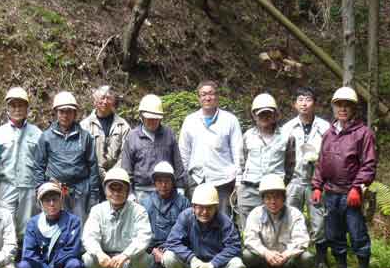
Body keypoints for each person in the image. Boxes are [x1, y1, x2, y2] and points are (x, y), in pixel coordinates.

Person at [312, 86, 377, 268]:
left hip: (351, 194)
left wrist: (357, 187)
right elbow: (321, 161)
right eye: (339, 105)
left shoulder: (363, 133)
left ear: (354, 108)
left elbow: (369, 164)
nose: (342, 109)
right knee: (334, 233)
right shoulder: (328, 134)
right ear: (333, 107)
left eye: (347, 105)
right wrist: (317, 186)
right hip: (331, 192)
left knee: (357, 233)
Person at [163, 183, 245, 268]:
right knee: (168, 256)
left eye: (209, 208)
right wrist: (192, 259)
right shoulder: (185, 217)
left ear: (216, 207)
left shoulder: (224, 221)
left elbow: (234, 247)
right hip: (192, 266)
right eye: (200, 207)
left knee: (237, 264)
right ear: (193, 206)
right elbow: (172, 241)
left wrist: (213, 264)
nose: (204, 212)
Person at [82, 168, 154, 268]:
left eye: (120, 189)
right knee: (88, 258)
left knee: (143, 258)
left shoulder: (139, 211)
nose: (116, 193)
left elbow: (144, 237)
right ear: (105, 190)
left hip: (127, 262)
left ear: (127, 191)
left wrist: (125, 255)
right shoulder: (97, 210)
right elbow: (89, 237)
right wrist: (99, 254)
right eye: (112, 189)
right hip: (105, 262)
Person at [33, 91, 100, 224]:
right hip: (54, 190)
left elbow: (93, 166)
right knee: (55, 227)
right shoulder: (46, 137)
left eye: (69, 111)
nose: (65, 115)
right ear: (56, 112)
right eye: (61, 111)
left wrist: (94, 195)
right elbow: (39, 166)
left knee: (79, 227)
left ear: (75, 114)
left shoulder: (85, 137)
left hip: (80, 192)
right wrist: (40, 190)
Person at [283, 87, 330, 268]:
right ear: (295, 104)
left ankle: (321, 258)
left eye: (308, 99)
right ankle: (292, 256)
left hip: (317, 181)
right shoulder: (287, 128)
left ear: (315, 103)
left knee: (319, 219)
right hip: (294, 180)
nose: (304, 103)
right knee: (290, 217)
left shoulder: (326, 127)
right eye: (300, 99)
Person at [179, 80, 243, 215]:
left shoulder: (230, 120)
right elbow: (184, 152)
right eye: (203, 94)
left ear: (217, 96)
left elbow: (238, 153)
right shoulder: (190, 121)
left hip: (223, 181)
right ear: (198, 98)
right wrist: (183, 180)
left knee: (223, 219)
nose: (207, 98)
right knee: (198, 219)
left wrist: (238, 180)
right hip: (197, 180)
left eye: (211, 94)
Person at [243, 174, 314, 268]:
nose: (273, 202)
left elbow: (302, 239)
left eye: (277, 197)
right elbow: (250, 239)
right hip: (264, 260)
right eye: (268, 198)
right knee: (247, 255)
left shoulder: (294, 214)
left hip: (288, 260)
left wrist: (287, 254)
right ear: (263, 199)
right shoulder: (255, 214)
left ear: (284, 198)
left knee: (306, 257)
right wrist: (266, 253)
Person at [236, 93, 295, 230]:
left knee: (275, 229)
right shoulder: (247, 136)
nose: (265, 117)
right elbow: (242, 163)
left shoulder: (287, 137)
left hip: (274, 193)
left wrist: (281, 184)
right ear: (254, 115)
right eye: (261, 114)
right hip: (249, 190)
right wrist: (239, 187)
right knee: (249, 230)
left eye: (268, 113)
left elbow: (290, 166)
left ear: (275, 115)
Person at [17, 182, 83, 268]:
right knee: (23, 266)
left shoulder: (73, 221)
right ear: (40, 203)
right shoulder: (33, 223)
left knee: (75, 265)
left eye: (55, 199)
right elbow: (28, 253)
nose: (52, 204)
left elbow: (73, 250)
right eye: (47, 200)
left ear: (61, 200)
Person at [0, 87, 42, 239]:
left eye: (21, 105)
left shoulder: (38, 133)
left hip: (29, 186)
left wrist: (40, 188)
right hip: (6, 185)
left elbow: (42, 164)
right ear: (7, 108)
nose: (17, 109)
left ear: (27, 108)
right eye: (13, 105)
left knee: (27, 225)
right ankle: (6, 258)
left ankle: (24, 257)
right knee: (3, 222)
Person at [121, 94, 186, 203]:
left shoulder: (168, 134)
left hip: (166, 190)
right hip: (141, 192)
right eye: (149, 118)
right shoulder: (132, 137)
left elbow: (178, 164)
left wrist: (180, 188)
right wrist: (130, 193)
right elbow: (126, 169)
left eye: (156, 118)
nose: (153, 121)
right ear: (141, 116)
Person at [141, 161, 191, 268]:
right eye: (159, 181)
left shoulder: (183, 203)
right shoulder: (145, 204)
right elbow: (141, 233)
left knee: (176, 267)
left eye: (167, 181)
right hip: (153, 251)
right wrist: (153, 250)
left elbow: (188, 233)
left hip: (176, 250)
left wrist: (170, 250)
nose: (163, 185)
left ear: (172, 182)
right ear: (155, 183)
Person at [80, 85, 131, 190]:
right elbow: (83, 153)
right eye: (102, 98)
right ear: (95, 101)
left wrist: (113, 175)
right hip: (91, 180)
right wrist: (102, 174)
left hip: (117, 180)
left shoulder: (123, 125)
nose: (105, 101)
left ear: (113, 101)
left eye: (108, 98)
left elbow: (126, 153)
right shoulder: (85, 125)